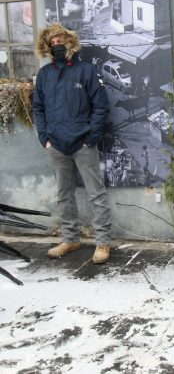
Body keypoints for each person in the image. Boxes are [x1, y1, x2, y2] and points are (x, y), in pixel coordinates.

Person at [33, 23, 112, 264]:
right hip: (56, 144)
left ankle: (103, 243)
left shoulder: (85, 71)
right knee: (64, 194)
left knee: (96, 193)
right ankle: (70, 239)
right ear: (48, 46)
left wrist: (91, 137)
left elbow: (101, 106)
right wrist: (44, 137)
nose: (57, 45)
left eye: (61, 40)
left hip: (83, 142)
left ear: (70, 42)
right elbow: (39, 107)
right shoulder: (45, 75)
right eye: (53, 42)